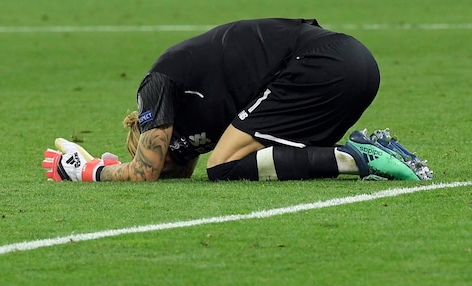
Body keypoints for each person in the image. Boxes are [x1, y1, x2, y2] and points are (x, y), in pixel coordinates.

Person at [42, 18, 432, 182]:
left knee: (223, 166)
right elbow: (168, 170)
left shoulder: (155, 84)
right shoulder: (201, 113)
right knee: (249, 159)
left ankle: (356, 157)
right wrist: (121, 165)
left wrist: (89, 169)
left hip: (320, 63)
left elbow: (146, 170)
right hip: (355, 64)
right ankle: (375, 150)